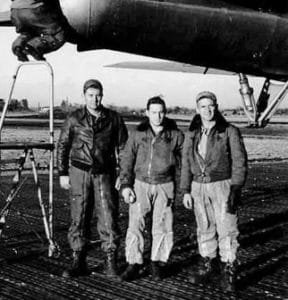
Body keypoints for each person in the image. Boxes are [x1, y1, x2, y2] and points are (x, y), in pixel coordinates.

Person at [57, 79, 128, 278]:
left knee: (108, 216)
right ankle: (78, 260)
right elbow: (62, 146)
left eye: (97, 95)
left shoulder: (114, 118)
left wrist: (123, 174)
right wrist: (62, 173)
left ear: (102, 96)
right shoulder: (74, 118)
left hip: (105, 173)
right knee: (79, 215)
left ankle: (110, 261)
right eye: (90, 95)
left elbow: (124, 149)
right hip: (79, 173)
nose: (94, 99)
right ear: (84, 96)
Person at [180, 91, 247, 291]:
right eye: (203, 106)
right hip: (198, 187)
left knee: (227, 228)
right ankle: (208, 264)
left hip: (222, 185)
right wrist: (185, 189)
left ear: (216, 107)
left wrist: (236, 188)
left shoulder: (229, 131)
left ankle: (229, 269)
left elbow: (239, 161)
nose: (207, 110)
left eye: (211, 106)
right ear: (197, 109)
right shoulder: (191, 133)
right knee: (204, 226)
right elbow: (185, 163)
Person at [119, 96, 184, 281]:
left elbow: (184, 163)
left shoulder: (176, 136)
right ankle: (134, 262)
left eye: (161, 112)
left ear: (165, 112)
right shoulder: (137, 134)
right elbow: (126, 160)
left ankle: (157, 263)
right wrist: (125, 185)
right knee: (135, 225)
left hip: (165, 185)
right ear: (147, 113)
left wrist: (184, 187)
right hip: (140, 184)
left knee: (163, 226)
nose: (157, 116)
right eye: (153, 112)